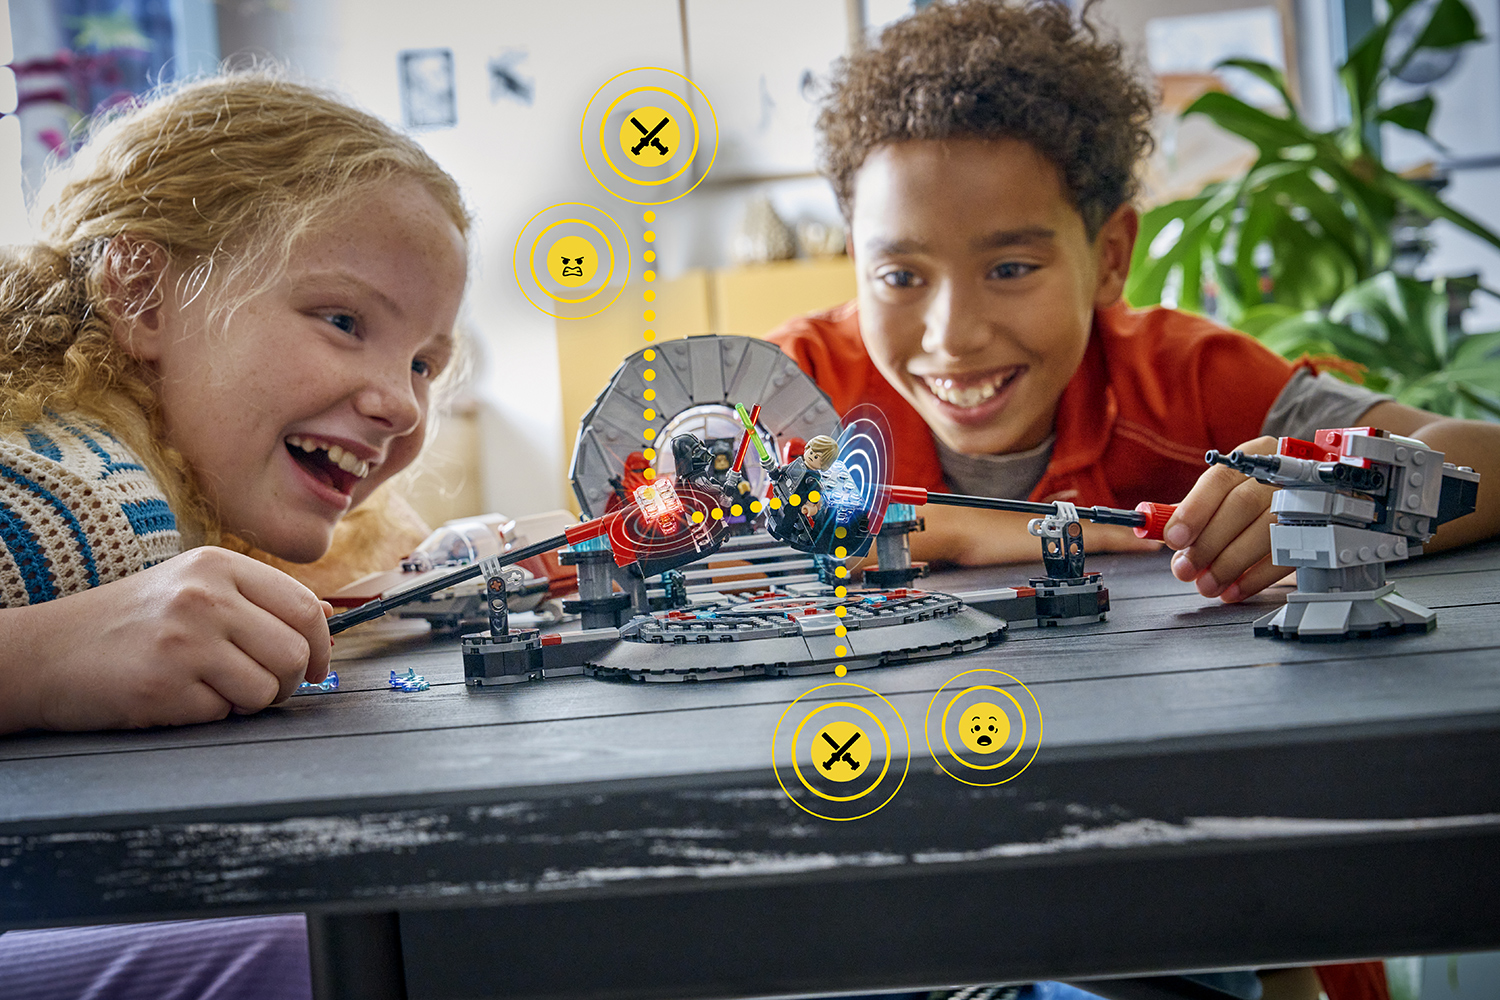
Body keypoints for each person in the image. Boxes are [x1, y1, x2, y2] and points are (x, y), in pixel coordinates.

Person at [766, 0, 1500, 609]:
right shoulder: (788, 386)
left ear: (1111, 256)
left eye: (1012, 267)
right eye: (899, 276)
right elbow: (671, 523)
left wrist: (1332, 499)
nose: (952, 336)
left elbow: (1484, 459)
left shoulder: (1185, 379)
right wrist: (960, 530)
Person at [0, 71, 468, 735]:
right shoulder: (81, 505)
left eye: (423, 364)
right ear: (142, 296)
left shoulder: (210, 476)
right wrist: (38, 661)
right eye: (342, 321)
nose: (404, 406)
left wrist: (447, 570)